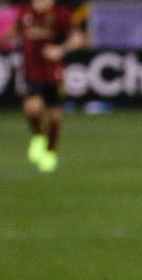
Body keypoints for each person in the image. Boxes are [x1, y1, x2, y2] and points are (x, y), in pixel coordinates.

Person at [8, 0, 85, 173]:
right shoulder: (25, 11)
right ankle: (38, 137)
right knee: (32, 108)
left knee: (55, 117)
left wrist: (61, 50)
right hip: (31, 71)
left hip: (53, 72)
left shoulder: (60, 13)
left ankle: (50, 152)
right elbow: (15, 32)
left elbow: (78, 38)